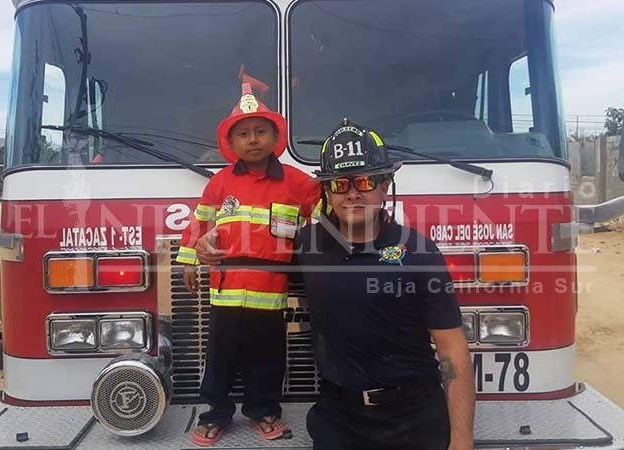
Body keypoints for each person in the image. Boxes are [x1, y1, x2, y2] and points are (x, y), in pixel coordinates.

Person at [195, 119, 475, 450]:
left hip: (415, 416)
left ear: (385, 186)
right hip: (338, 419)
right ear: (327, 192)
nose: (353, 193)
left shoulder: (420, 252)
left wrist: (461, 441)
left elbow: (452, 350)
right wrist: (204, 248)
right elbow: (257, 259)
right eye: (340, 184)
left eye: (366, 181)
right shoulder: (307, 245)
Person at [176, 83, 320, 446]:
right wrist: (190, 259)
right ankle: (216, 413)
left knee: (268, 358)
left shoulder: (299, 183)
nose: (252, 140)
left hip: (270, 295)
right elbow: (200, 223)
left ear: (275, 137)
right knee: (220, 357)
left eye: (260, 131)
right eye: (243, 133)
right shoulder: (220, 183)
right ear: (231, 142)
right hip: (224, 293)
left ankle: (264, 411)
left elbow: (327, 212)